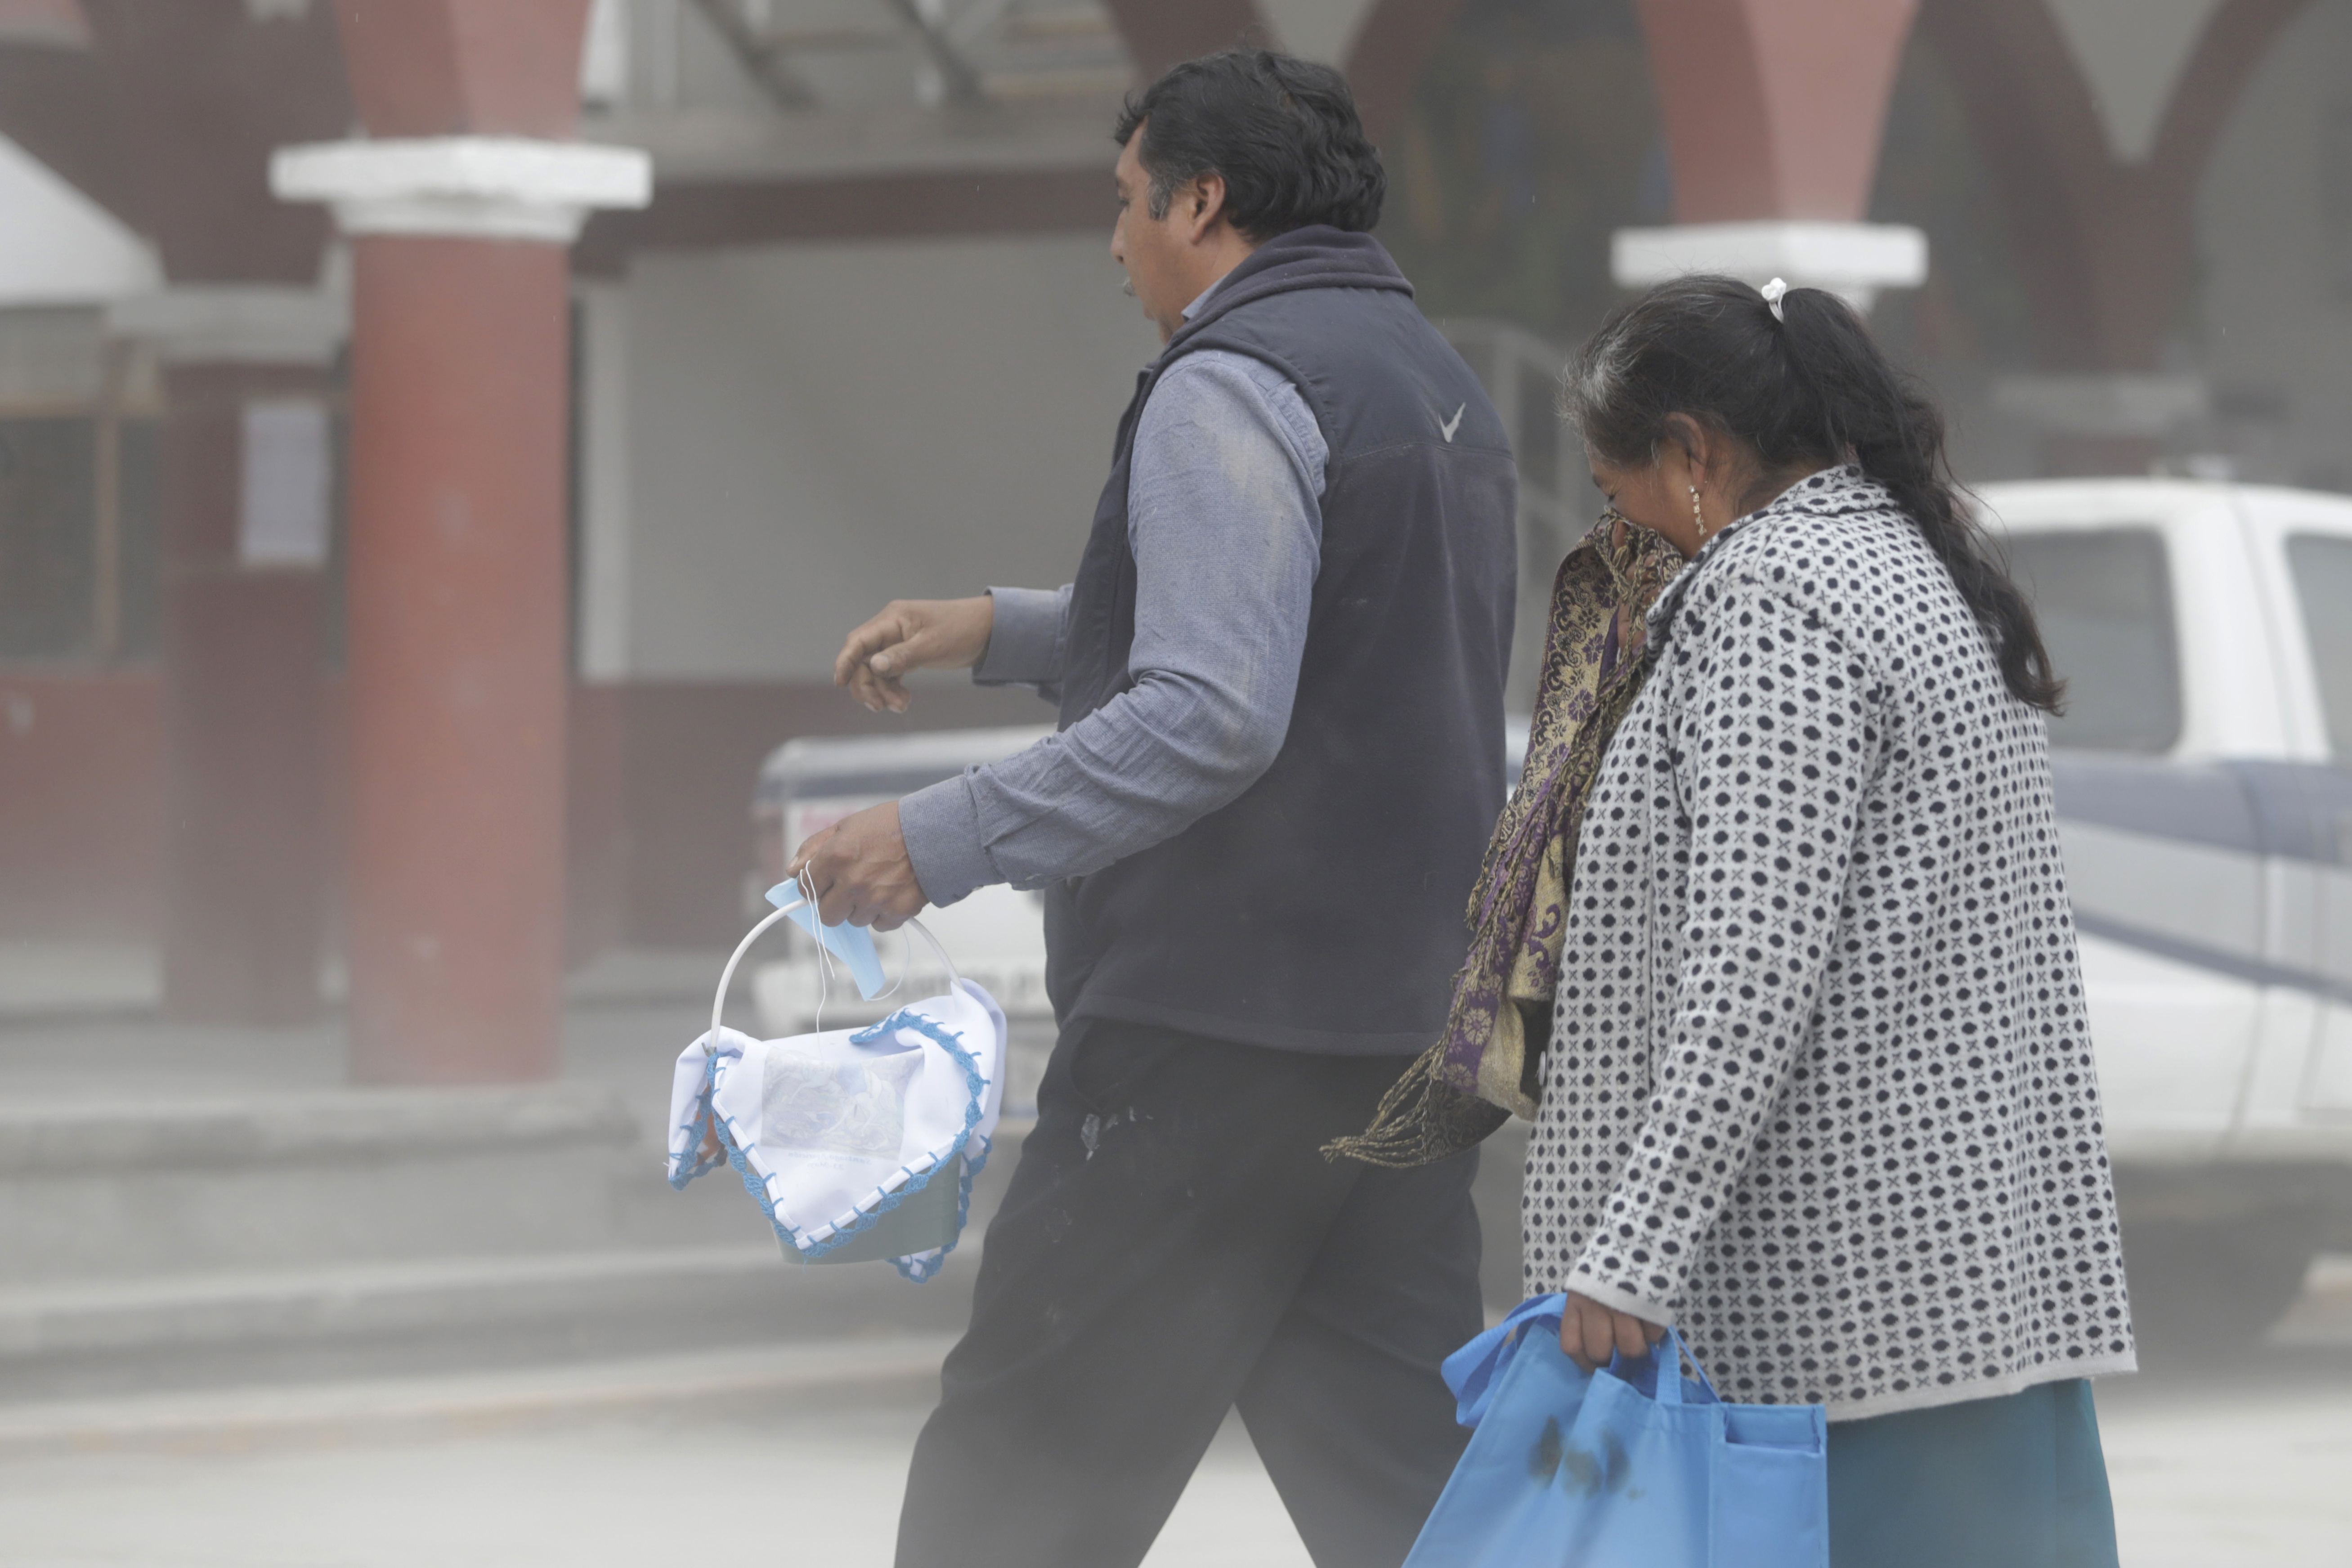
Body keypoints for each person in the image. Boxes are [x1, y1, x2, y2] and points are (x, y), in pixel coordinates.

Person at [789, 48, 1519, 1568]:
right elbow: (1303, 642)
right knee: (1411, 1504)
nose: (1115, 242)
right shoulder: (1432, 382)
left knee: (1019, 1485)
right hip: (1397, 1041)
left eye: (1126, 204)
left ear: (1205, 199)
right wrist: (998, 627)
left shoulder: (1233, 380)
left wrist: (932, 841)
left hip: (1213, 1040)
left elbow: (1212, 713)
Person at [1474, 275, 2132, 1565]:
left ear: (1695, 453)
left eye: (1626, 500)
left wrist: (1634, 1249)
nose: (1634, 539)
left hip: (1835, 1311)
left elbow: (1750, 968)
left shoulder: (1777, 601)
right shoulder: (1901, 561)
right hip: (1954, 1278)